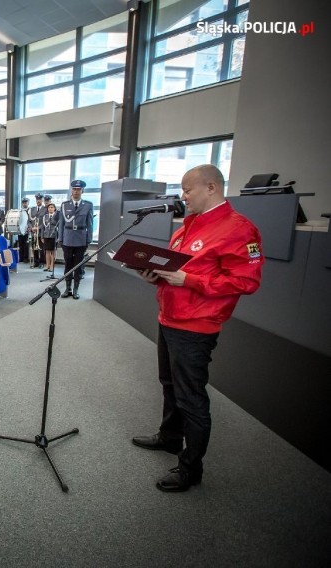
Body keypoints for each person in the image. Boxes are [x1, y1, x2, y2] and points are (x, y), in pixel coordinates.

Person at [132, 164, 264, 492]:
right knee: (168, 383)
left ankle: (191, 468)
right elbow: (173, 269)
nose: (183, 196)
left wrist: (190, 279)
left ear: (211, 187)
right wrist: (153, 275)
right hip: (169, 316)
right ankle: (170, 437)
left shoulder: (239, 229)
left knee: (191, 396)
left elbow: (246, 281)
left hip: (197, 325)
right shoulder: (186, 226)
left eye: (187, 190)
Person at [57, 181, 93, 299]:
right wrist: (60, 239)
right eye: (74, 189)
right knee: (68, 264)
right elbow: (61, 223)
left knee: (78, 265)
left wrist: (89, 239)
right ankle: (68, 289)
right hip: (67, 239)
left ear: (83, 191)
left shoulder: (87, 205)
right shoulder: (65, 205)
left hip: (81, 239)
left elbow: (90, 224)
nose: (76, 191)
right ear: (71, 190)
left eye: (78, 189)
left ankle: (76, 289)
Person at [41, 203, 60, 277]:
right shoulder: (45, 216)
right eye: (49, 207)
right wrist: (42, 236)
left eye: (52, 207)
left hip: (54, 235)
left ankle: (52, 266)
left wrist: (59, 237)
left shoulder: (57, 216)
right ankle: (47, 265)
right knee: (47, 251)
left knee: (53, 251)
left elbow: (59, 226)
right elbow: (43, 227)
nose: (50, 209)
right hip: (46, 235)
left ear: (54, 209)